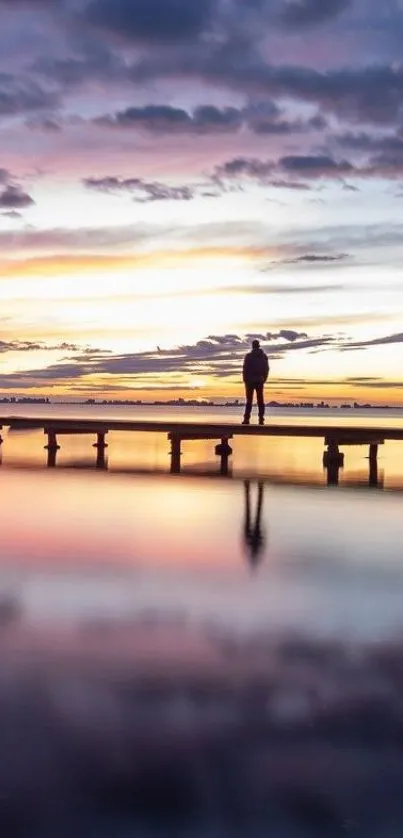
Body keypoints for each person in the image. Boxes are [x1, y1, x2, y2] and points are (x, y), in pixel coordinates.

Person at [242, 339, 269, 425]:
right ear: (259, 346)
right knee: (260, 400)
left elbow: (245, 369)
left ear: (253, 346)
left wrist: (245, 379)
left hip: (250, 380)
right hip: (260, 380)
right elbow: (266, 369)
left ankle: (246, 419)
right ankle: (261, 419)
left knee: (249, 400)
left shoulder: (248, 356)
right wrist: (264, 378)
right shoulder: (264, 356)